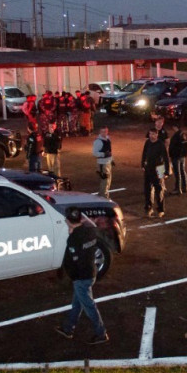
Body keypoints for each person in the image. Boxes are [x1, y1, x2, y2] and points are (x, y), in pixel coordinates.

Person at [55, 206, 109, 345]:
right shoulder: (90, 231)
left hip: (81, 277)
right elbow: (91, 227)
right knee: (77, 303)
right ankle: (68, 328)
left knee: (89, 306)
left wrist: (72, 276)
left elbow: (73, 261)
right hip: (91, 272)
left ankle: (101, 333)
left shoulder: (73, 239)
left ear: (68, 221)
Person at [141, 127, 170, 218]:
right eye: (150, 134)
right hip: (148, 168)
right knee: (147, 189)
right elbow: (144, 153)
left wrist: (166, 171)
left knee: (159, 190)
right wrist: (142, 164)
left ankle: (161, 210)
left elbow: (166, 158)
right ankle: (148, 208)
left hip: (159, 168)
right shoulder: (147, 142)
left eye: (153, 134)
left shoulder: (161, 144)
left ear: (157, 135)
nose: (151, 136)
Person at [93, 126, 113, 199]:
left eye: (105, 131)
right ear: (100, 132)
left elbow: (109, 151)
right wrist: (104, 154)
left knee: (108, 181)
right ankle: (103, 197)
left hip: (107, 163)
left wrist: (111, 159)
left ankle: (103, 196)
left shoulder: (108, 139)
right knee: (105, 182)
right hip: (102, 164)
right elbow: (95, 153)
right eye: (102, 132)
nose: (104, 133)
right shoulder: (98, 141)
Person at [168, 124, 187, 194]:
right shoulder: (183, 134)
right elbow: (186, 146)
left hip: (176, 156)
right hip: (182, 156)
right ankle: (184, 187)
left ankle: (178, 189)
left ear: (175, 127)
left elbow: (173, 146)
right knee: (182, 171)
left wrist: (171, 154)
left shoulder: (177, 135)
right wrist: (184, 154)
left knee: (177, 173)